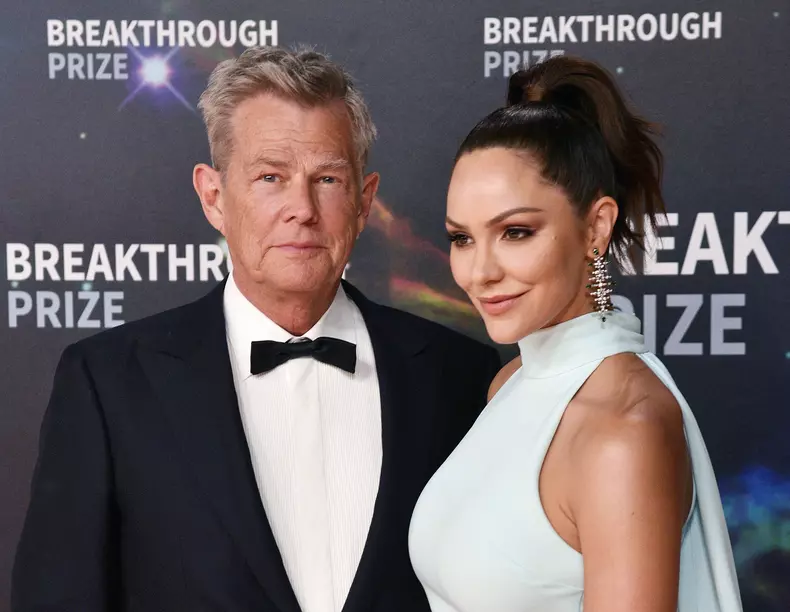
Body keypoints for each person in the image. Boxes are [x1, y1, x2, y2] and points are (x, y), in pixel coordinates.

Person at [12, 46, 500, 612]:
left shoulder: (458, 375)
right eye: (270, 177)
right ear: (214, 197)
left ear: (364, 202)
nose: (302, 208)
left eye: (327, 179)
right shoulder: (108, 382)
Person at [408, 56, 742, 612]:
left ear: (596, 227)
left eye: (516, 232)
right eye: (461, 238)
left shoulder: (624, 431)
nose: (479, 272)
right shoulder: (511, 382)